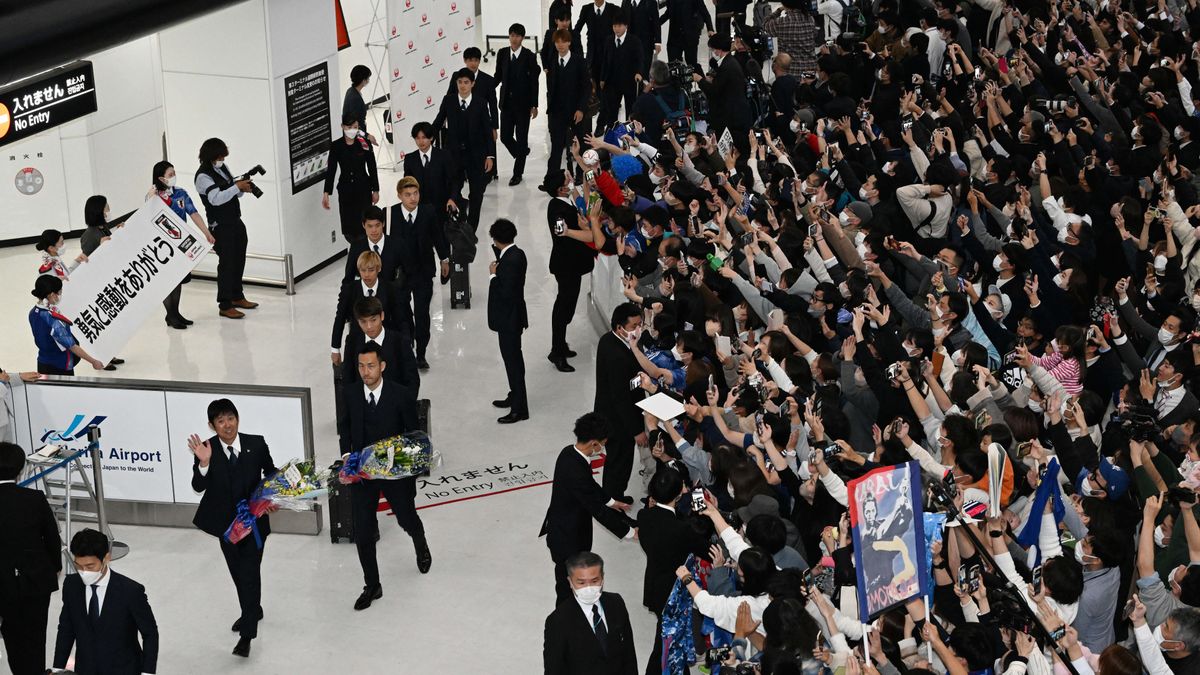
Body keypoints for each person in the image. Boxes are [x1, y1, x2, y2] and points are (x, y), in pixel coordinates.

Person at [337, 342, 430, 610]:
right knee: (363, 530)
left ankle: (420, 542)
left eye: (371, 366)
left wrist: (403, 466)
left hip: (394, 474)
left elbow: (413, 437)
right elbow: (345, 427)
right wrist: (347, 457)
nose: (365, 372)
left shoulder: (400, 395)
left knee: (406, 517)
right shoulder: (351, 393)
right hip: (363, 474)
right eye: (361, 366)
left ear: (382, 366)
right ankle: (372, 584)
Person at [187, 398, 276, 658]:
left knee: (249, 573)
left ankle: (247, 634)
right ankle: (253, 609)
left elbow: (270, 473)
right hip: (226, 527)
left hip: (255, 523)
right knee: (239, 574)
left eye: (231, 418)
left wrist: (272, 497)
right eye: (221, 421)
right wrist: (203, 464)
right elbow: (198, 486)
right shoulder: (207, 448)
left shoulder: (256, 443)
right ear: (212, 425)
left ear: (238, 418)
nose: (227, 425)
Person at [541, 414, 637, 605]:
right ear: (594, 443)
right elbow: (597, 511)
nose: (602, 449)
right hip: (568, 539)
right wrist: (629, 532)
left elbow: (590, 486)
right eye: (602, 444)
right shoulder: (575, 470)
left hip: (563, 530)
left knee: (569, 583)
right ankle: (565, 621)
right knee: (566, 587)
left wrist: (611, 501)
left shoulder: (569, 453)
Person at [51, 528, 158, 675]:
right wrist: (58, 668)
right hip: (86, 669)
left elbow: (150, 633)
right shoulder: (71, 585)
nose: (83, 572)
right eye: (78, 566)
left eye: (90, 566)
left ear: (106, 558)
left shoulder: (131, 591)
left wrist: (148, 672)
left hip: (124, 669)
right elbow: (66, 628)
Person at [637, 467, 708, 675]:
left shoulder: (644, 516)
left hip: (655, 585)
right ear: (679, 494)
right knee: (667, 643)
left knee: (667, 639)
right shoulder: (682, 529)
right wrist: (702, 504)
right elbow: (704, 544)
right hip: (675, 594)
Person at [0, 441, 62, 675]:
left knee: (12, 634)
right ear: (19, 468)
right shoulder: (34, 498)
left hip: (3, 583)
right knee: (36, 634)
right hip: (35, 579)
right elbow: (51, 537)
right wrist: (54, 567)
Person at [387, 177, 450, 371]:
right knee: (403, 313)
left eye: (415, 194)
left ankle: (421, 352)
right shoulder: (390, 214)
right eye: (408, 195)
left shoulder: (428, 211)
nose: (413, 198)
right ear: (399, 196)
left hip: (423, 271)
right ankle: (408, 344)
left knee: (422, 313)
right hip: (400, 275)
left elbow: (437, 236)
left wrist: (444, 259)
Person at [543, 551, 639, 675]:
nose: (588, 588)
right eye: (581, 583)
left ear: (602, 578)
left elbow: (629, 654)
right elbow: (554, 669)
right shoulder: (558, 621)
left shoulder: (616, 603)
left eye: (594, 581)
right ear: (570, 582)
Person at [195, 137, 259, 319]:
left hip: (234, 220)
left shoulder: (222, 169)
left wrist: (241, 187)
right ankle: (224, 304)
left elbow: (233, 191)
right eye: (220, 156)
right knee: (226, 263)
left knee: (239, 258)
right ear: (211, 156)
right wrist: (235, 187)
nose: (222, 160)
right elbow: (215, 199)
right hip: (220, 225)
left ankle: (237, 296)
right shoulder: (203, 176)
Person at [149, 161, 216, 329]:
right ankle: (171, 315)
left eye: (174, 173)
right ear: (161, 178)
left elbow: (193, 212)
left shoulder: (181, 193)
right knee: (168, 281)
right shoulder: (154, 197)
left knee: (178, 279)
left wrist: (206, 232)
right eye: (170, 175)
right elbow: (148, 216)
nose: (174, 177)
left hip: (180, 243)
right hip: (162, 246)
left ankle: (175, 313)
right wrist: (151, 197)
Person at [431, 69, 497, 235]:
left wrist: (490, 155)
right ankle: (458, 218)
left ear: (472, 84)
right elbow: (439, 121)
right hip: (453, 155)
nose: (462, 85)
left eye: (466, 82)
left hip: (476, 156)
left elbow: (487, 130)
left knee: (476, 192)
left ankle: (471, 227)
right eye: (460, 82)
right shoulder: (449, 100)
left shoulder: (481, 103)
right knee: (453, 187)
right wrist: (426, 137)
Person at [544, 171, 595, 372]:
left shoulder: (564, 202)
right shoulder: (558, 209)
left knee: (568, 305)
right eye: (568, 179)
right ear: (561, 189)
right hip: (566, 265)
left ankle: (561, 344)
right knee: (564, 307)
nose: (572, 181)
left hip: (571, 264)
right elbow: (560, 232)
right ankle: (557, 350)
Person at [594, 303, 646, 501]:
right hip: (619, 421)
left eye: (639, 324)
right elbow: (621, 398)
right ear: (619, 327)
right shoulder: (618, 357)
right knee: (619, 463)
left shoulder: (607, 340)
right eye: (633, 326)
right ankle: (612, 501)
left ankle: (614, 496)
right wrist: (637, 430)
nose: (637, 330)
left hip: (610, 414)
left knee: (616, 461)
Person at [487, 219, 530, 423]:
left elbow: (505, 292)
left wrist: (493, 276)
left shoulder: (509, 261)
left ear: (495, 239)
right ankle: (515, 395)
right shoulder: (516, 253)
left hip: (509, 320)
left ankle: (519, 408)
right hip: (513, 317)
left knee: (513, 362)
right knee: (513, 360)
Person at [29, 275, 107, 375]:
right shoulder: (53, 321)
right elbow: (72, 346)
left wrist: (56, 281)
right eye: (59, 292)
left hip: (43, 363)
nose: (60, 295)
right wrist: (93, 361)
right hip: (59, 367)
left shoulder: (33, 312)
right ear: (52, 294)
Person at [494, 23, 541, 186]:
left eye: (517, 36)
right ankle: (520, 153)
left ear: (522, 38)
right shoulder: (502, 53)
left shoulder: (529, 56)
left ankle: (517, 173)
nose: (514, 39)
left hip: (523, 106)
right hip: (506, 104)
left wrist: (534, 104)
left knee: (522, 139)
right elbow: (498, 76)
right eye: (512, 35)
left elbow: (534, 82)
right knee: (506, 136)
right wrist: (484, 88)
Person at [341, 296, 420, 392]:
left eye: (373, 320)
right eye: (363, 322)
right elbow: (348, 379)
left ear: (382, 316)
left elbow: (412, 381)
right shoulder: (352, 342)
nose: (369, 327)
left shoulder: (400, 342)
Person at [322, 115, 380, 243]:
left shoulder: (364, 143)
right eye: (349, 127)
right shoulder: (336, 146)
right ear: (342, 127)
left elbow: (372, 167)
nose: (352, 130)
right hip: (345, 190)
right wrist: (326, 193)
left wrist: (375, 190)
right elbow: (331, 171)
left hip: (363, 189)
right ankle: (355, 249)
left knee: (364, 222)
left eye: (355, 127)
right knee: (348, 225)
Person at [544, 29, 592, 182]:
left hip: (576, 111)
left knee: (582, 145)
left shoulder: (579, 61)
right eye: (557, 42)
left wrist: (581, 109)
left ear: (569, 42)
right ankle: (551, 179)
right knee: (556, 147)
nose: (560, 45)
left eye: (563, 41)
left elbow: (586, 87)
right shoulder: (552, 62)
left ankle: (582, 174)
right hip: (557, 112)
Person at [693, 34, 750, 155]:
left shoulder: (727, 66)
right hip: (734, 114)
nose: (713, 52)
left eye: (713, 49)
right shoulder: (730, 63)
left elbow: (714, 92)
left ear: (718, 49)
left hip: (730, 118)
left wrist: (700, 80)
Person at [597, 11, 645, 133]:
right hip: (612, 82)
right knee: (611, 109)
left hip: (629, 81)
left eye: (619, 26)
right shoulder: (608, 40)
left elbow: (640, 59)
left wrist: (639, 72)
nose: (616, 29)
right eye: (614, 26)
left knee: (630, 108)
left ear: (626, 26)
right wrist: (602, 78)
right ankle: (611, 132)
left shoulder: (634, 41)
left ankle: (629, 133)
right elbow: (605, 61)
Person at [575, 0, 621, 93]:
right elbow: (577, 30)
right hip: (593, 53)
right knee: (594, 80)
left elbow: (621, 29)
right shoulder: (586, 9)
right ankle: (598, 104)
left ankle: (609, 103)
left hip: (609, 51)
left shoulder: (614, 9)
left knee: (609, 79)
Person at [660, 0, 713, 66]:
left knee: (692, 65)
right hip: (674, 37)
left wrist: (710, 29)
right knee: (673, 65)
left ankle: (696, 76)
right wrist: (655, 25)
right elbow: (668, 13)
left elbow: (704, 12)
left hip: (690, 36)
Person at [342, 64, 376, 144]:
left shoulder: (351, 90)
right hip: (356, 137)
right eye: (368, 78)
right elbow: (353, 125)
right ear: (363, 80)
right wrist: (367, 136)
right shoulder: (355, 98)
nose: (368, 80)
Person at [621, 0, 661, 70]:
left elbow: (656, 22)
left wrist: (658, 42)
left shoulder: (651, 2)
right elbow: (621, 20)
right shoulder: (625, 2)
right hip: (629, 43)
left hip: (646, 43)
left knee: (644, 69)